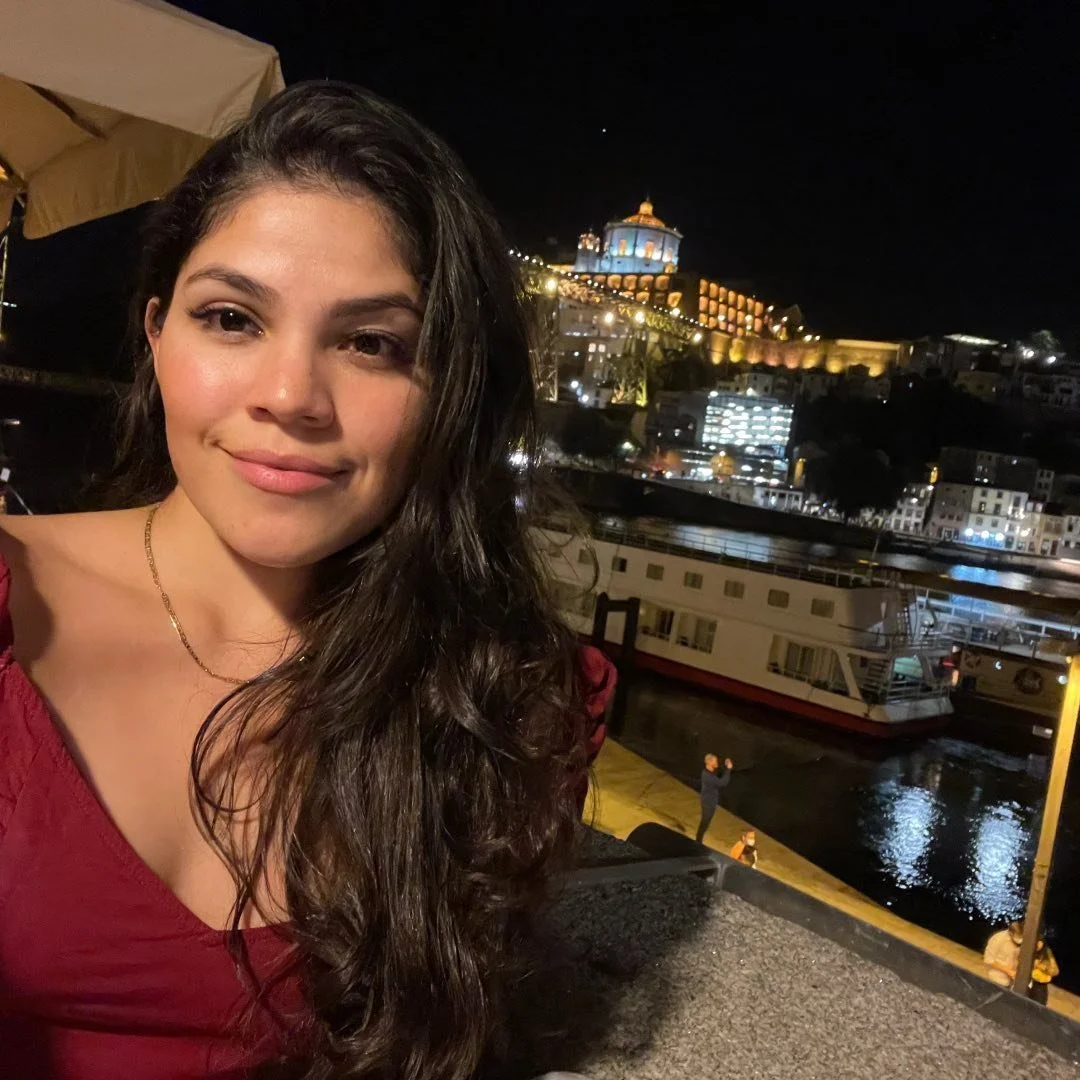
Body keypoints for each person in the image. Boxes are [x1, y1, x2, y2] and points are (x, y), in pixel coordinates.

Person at [0, 82, 614, 1079]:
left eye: (372, 343)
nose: (290, 398)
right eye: (234, 318)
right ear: (157, 334)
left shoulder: (496, 702)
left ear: (449, 387)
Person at [695, 753, 733, 843]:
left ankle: (699, 839)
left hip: (711, 801)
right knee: (705, 822)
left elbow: (718, 771)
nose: (717, 762)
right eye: (715, 761)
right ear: (709, 762)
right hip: (707, 802)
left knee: (706, 822)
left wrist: (725, 765)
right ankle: (698, 840)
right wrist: (729, 769)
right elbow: (722, 783)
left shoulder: (709, 771)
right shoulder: (707, 776)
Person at [983, 920, 1025, 988]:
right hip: (995, 979)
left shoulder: (1020, 942)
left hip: (1010, 983)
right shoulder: (999, 939)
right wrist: (1009, 971)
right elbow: (988, 960)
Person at [1030, 938, 1060, 1005]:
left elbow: (1055, 971)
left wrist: (1040, 966)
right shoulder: (1028, 949)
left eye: (1040, 943)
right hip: (1027, 982)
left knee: (1038, 1006)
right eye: (1037, 942)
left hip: (1040, 986)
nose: (1038, 945)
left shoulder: (1046, 952)